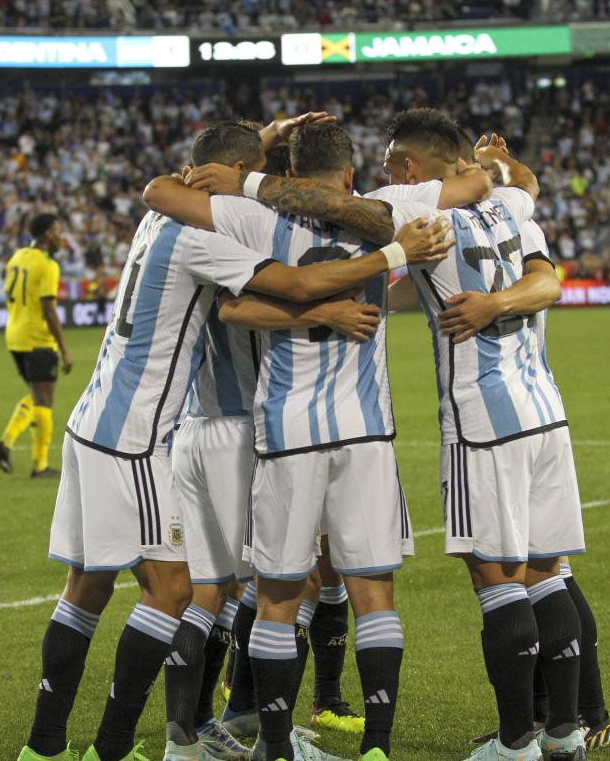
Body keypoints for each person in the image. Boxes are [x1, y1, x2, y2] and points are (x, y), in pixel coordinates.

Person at [16, 120, 453, 761]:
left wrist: (262, 139)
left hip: (106, 419)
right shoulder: (208, 234)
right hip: (144, 432)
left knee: (93, 586)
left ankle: (48, 745)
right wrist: (388, 261)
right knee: (193, 590)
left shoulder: (165, 219)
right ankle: (144, 746)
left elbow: (177, 189)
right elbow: (290, 286)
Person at [190, 110, 587, 761]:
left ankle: (511, 745)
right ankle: (558, 735)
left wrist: (253, 174)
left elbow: (284, 220)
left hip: (432, 418)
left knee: (288, 591)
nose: (378, 172)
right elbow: (525, 193)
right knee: (538, 573)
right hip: (513, 408)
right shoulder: (508, 204)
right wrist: (494, 164)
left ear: (407, 169)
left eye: (390, 162)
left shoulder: (376, 207)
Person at [146, 121, 487, 761]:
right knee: (372, 593)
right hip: (365, 428)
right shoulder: (393, 210)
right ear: (354, 176)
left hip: (287, 427)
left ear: (289, 174)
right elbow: (477, 181)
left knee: (277, 594)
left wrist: (249, 176)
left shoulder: (249, 217)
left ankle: (274, 747)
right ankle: (378, 748)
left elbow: (163, 197)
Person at [0, 214, 74, 479]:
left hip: (14, 336)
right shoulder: (48, 265)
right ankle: (40, 466)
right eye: (58, 231)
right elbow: (49, 310)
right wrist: (63, 348)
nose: (61, 237)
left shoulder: (17, 257)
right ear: (48, 234)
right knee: (44, 401)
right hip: (38, 339)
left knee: (36, 395)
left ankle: (5, 443)